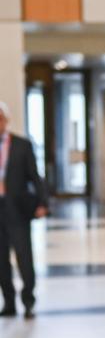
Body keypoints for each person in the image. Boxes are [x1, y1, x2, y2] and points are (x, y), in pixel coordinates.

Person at [0, 101, 47, 319]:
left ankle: (28, 299)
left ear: (6, 120)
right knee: (1, 259)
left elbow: (35, 176)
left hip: (17, 208)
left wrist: (42, 202)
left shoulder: (22, 145)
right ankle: (8, 301)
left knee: (24, 256)